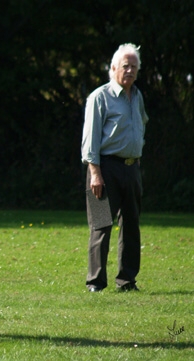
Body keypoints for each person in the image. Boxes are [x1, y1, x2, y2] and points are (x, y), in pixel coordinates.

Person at [81, 43, 149, 293]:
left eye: (134, 66)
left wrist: (137, 158)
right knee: (100, 225)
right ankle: (95, 283)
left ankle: (127, 281)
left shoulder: (137, 96)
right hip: (104, 168)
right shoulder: (100, 97)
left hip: (131, 169)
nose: (130, 70)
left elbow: (141, 126)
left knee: (131, 225)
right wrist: (95, 174)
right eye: (125, 66)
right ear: (113, 68)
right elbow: (90, 140)